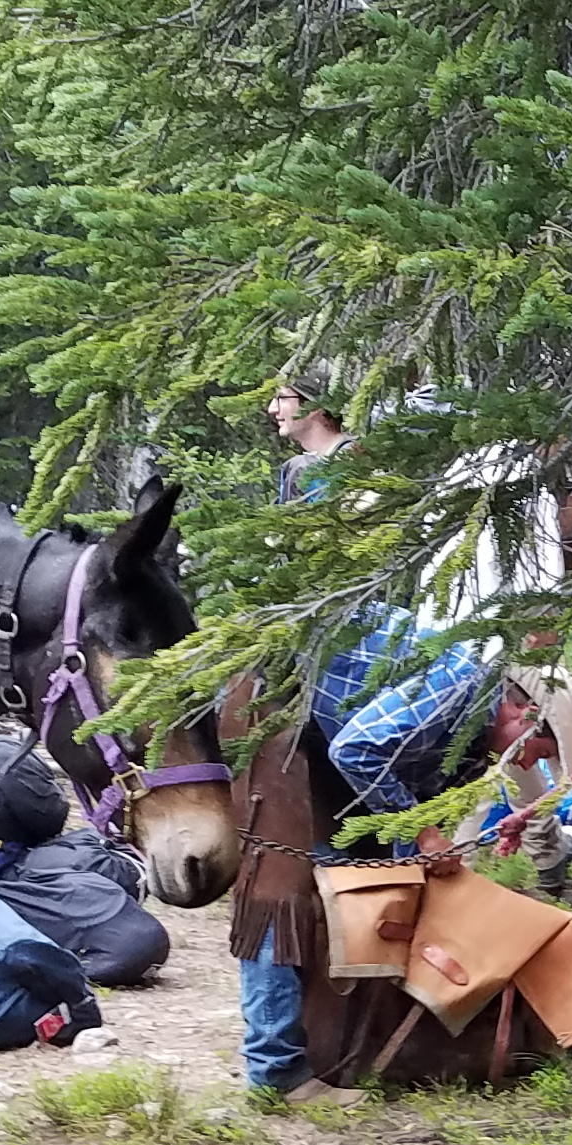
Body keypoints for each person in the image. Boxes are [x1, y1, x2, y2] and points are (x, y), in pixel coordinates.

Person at [233, 378, 355, 1100]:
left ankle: (336, 1045)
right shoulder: (291, 475)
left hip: (339, 682)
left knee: (340, 868)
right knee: (280, 870)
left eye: (282, 398)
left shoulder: (355, 467)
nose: (272, 411)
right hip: (289, 692)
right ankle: (277, 1063)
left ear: (315, 403)